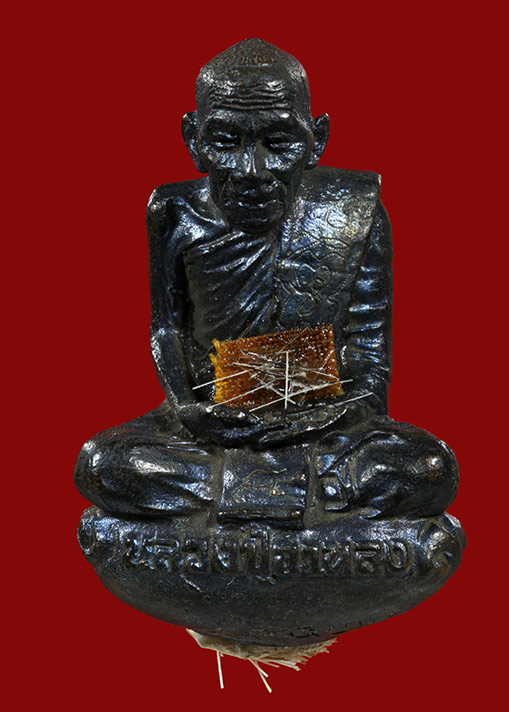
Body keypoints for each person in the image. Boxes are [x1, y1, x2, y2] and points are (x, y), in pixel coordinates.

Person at [74, 39, 458, 528]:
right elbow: (167, 328)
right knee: (104, 464)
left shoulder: (354, 211)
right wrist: (188, 410)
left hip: (324, 425)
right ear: (192, 139)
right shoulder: (173, 212)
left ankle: (242, 497)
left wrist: (333, 417)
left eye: (278, 143)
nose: (251, 170)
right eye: (225, 141)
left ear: (316, 140)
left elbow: (366, 349)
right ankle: (304, 501)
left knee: (427, 468)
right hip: (211, 422)